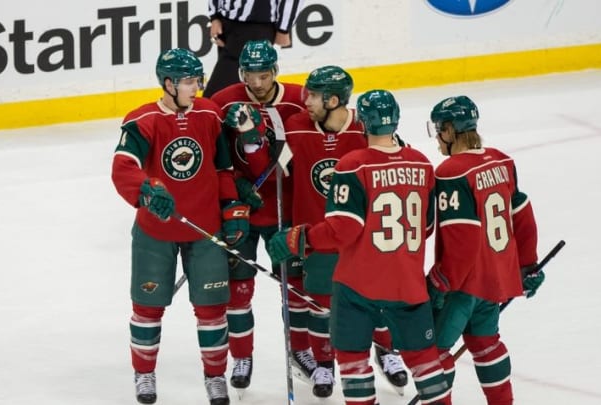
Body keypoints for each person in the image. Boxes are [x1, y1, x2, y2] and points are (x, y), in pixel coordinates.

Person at [267, 90, 452, 405]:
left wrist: (296, 238)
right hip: (407, 282)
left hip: (357, 285)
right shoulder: (421, 163)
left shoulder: (352, 165)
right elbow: (428, 227)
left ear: (363, 123)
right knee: (425, 362)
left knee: (354, 362)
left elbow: (341, 231)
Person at [111, 47, 250, 405]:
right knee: (147, 308)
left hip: (204, 231)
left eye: (197, 80)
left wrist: (232, 204)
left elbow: (222, 168)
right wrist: (145, 190)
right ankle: (144, 375)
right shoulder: (143, 120)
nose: (196, 87)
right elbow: (124, 165)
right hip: (156, 231)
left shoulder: (209, 114)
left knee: (212, 310)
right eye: (189, 81)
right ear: (169, 84)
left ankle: (215, 379)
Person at [262, 66, 408, 399]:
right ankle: (323, 362)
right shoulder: (296, 128)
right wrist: (259, 144)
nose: (305, 100)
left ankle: (387, 349)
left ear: (332, 100)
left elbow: (397, 166)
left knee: (379, 299)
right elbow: (273, 173)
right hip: (317, 236)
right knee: (320, 304)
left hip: (364, 238)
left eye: (313, 95)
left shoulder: (366, 126)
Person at [209, 39, 314, 392]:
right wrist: (236, 184)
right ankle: (242, 355)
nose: (257, 83)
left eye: (264, 75)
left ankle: (301, 352)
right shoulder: (224, 101)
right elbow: (213, 155)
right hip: (244, 213)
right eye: (250, 75)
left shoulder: (300, 97)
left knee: (296, 289)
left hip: (288, 210)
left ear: (276, 71)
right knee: (239, 290)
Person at [425, 95, 543, 405]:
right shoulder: (502, 161)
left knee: (434, 354)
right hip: (495, 281)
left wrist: (441, 281)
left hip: (463, 285)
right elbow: (524, 217)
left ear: (450, 131)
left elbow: (463, 240)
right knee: (486, 343)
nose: (437, 137)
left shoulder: (451, 171)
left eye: (439, 129)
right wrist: (528, 267)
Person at [204, 0, 302, 97]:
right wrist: (215, 16)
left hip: (256, 26)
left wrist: (283, 28)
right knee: (235, 89)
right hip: (227, 21)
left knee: (217, 93)